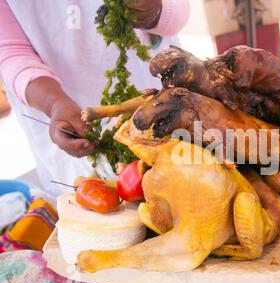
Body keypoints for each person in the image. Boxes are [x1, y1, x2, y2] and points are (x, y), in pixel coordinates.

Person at [0, 0, 190, 195]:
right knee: (102, 206)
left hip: (158, 93)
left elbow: (179, 9)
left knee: (186, 181)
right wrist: (54, 104)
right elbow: (11, 52)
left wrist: (157, 11)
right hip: (62, 110)